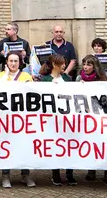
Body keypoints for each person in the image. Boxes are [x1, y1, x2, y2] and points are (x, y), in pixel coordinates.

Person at [0, 52, 34, 187]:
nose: (13, 64)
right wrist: (5, 75)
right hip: (6, 118)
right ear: (6, 62)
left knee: (24, 145)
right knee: (6, 146)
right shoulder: (0, 76)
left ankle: (25, 174)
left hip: (23, 117)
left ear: (20, 62)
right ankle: (5, 175)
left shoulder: (26, 76)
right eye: (10, 61)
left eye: (16, 61)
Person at [40, 54, 75, 186]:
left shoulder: (66, 78)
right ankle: (55, 173)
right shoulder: (45, 80)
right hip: (51, 120)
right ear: (55, 64)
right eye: (62, 63)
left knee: (69, 146)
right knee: (55, 146)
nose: (65, 66)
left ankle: (70, 173)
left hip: (67, 119)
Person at [77, 54, 107, 184]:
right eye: (84, 64)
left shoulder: (102, 78)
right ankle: (91, 169)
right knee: (90, 142)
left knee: (103, 142)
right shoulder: (79, 77)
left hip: (100, 115)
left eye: (89, 65)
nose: (85, 67)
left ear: (94, 66)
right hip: (86, 115)